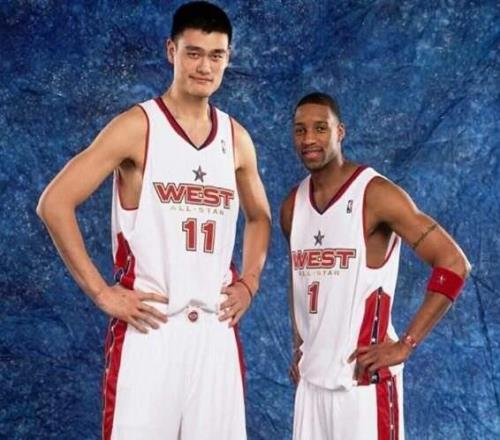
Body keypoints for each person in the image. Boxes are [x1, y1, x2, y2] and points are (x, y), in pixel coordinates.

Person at [37, 2, 271, 439]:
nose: (205, 66)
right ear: (171, 51)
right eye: (193, 53)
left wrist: (250, 282)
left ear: (228, 58)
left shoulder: (236, 138)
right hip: (151, 327)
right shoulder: (137, 127)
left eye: (216, 55)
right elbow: (55, 203)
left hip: (215, 334)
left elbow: (260, 217)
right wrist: (102, 293)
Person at [280, 92, 470, 440]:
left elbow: (454, 264)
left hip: (363, 385)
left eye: (320, 128)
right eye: (300, 130)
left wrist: (406, 344)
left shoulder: (375, 194)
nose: (308, 139)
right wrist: (300, 346)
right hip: (311, 384)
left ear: (340, 132)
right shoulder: (293, 206)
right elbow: (300, 281)